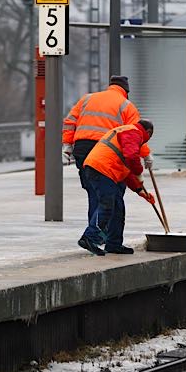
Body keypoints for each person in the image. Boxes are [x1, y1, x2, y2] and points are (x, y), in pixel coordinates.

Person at [62, 76, 153, 240]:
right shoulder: (126, 105)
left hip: (83, 149)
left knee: (94, 193)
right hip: (107, 152)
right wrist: (146, 156)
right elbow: (135, 135)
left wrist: (67, 145)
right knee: (113, 197)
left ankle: (96, 236)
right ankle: (106, 238)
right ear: (126, 91)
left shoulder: (87, 98)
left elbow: (70, 121)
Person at [78, 120, 156, 256]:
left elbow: (127, 172)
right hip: (101, 169)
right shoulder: (134, 132)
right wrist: (139, 171)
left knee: (118, 207)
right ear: (148, 132)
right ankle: (89, 237)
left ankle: (114, 243)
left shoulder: (126, 132)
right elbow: (132, 158)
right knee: (107, 204)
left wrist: (140, 191)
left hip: (104, 170)